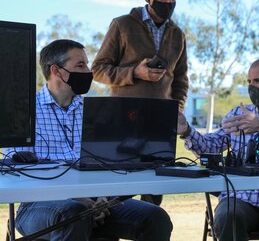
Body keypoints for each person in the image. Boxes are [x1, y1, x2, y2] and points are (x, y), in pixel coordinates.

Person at [6, 39, 172, 241]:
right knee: (74, 213)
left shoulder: (94, 113)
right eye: (80, 65)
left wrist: (103, 198)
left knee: (155, 217)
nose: (88, 71)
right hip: (36, 205)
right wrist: (79, 198)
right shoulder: (23, 112)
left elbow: (104, 164)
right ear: (56, 71)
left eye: (86, 63)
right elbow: (15, 170)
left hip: (95, 201)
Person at [177, 58, 259, 241]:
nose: (252, 87)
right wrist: (187, 131)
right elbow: (211, 146)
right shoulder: (238, 114)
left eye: (258, 81)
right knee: (227, 218)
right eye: (249, 82)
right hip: (238, 197)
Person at [91, 0, 188, 205]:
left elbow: (181, 79)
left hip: (160, 124)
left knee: (154, 194)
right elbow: (97, 69)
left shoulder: (178, 34)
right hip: (122, 121)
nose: (170, 3)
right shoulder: (122, 25)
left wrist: (175, 110)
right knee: (116, 191)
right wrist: (135, 72)